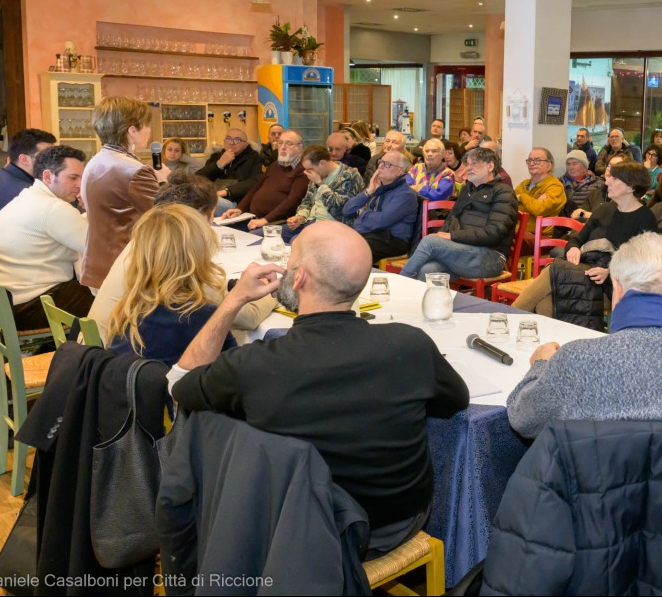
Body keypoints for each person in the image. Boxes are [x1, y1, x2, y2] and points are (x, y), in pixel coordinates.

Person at [168, 223, 469, 555]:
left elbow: (179, 384)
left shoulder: (253, 365)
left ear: (299, 278)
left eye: (291, 259)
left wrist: (235, 299)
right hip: (397, 523)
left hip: (296, 535)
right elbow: (455, 401)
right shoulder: (410, 345)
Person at [505, 233, 662, 438]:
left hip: (593, 482)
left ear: (618, 288)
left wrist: (540, 365)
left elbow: (522, 420)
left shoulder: (575, 358)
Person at [90, 173, 276, 339]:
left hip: (99, 348)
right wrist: (274, 290)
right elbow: (248, 317)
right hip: (122, 363)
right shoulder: (178, 259)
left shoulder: (145, 241)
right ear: (203, 218)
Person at [512, 161, 657, 319]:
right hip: (585, 273)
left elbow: (645, 264)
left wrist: (610, 272)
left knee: (552, 274)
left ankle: (506, 319)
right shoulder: (603, 210)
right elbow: (576, 240)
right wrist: (573, 248)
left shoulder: (645, 219)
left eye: (614, 179)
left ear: (631, 187)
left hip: (613, 286)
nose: (607, 181)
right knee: (545, 301)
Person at [104, 203, 233, 367]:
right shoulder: (199, 315)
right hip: (171, 392)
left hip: (123, 389)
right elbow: (233, 371)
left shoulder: (127, 308)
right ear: (198, 256)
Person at [0, 145, 93, 328]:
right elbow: (98, 250)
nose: (79, 185)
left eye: (82, 178)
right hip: (34, 305)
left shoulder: (26, 198)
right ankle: (92, 354)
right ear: (47, 176)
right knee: (117, 304)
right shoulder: (54, 209)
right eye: (73, 178)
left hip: (10, 303)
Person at [82, 96, 165, 290]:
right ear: (132, 130)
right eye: (145, 125)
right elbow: (168, 217)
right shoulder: (133, 170)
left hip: (98, 263)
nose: (149, 131)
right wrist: (163, 180)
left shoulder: (96, 160)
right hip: (123, 269)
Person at [400, 147, 519, 282]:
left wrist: (452, 236)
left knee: (430, 241)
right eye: (467, 164)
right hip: (462, 251)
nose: (468, 168)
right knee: (427, 271)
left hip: (490, 257)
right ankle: (424, 302)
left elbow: (494, 233)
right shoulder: (467, 190)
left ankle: (399, 285)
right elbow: (451, 220)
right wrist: (445, 236)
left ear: (490, 165)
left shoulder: (504, 193)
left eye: (474, 163)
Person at [221, 130, 309, 231]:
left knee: (246, 237)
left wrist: (265, 220)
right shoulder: (274, 165)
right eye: (280, 143)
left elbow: (292, 202)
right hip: (252, 217)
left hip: (277, 222)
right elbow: (254, 190)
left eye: (289, 144)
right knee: (224, 230)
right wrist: (239, 209)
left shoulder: (303, 170)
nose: (283, 147)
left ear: (300, 148)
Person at [343, 150, 418, 262]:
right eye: (380, 162)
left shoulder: (405, 194)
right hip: (368, 234)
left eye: (387, 164)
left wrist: (362, 212)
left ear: (399, 171)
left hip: (391, 240)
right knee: (334, 244)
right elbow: (347, 210)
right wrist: (369, 191)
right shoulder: (377, 186)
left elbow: (381, 221)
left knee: (352, 252)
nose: (380, 167)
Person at [283, 145, 363, 242]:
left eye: (309, 169)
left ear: (322, 163)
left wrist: (320, 184)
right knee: (265, 234)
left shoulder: (349, 176)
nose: (306, 173)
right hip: (310, 222)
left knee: (296, 241)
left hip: (334, 227)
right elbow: (307, 202)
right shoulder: (318, 173)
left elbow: (340, 211)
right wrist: (300, 217)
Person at [197, 127, 264, 217]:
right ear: (224, 141)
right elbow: (198, 178)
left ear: (245, 144)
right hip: (214, 197)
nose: (232, 143)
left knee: (207, 201)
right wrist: (219, 164)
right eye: (228, 139)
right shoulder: (216, 157)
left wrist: (227, 191)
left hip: (237, 203)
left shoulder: (255, 158)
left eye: (237, 140)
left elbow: (256, 181)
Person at [515, 148, 567, 239]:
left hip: (540, 237)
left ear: (549, 165)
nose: (532, 163)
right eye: (530, 160)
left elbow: (539, 210)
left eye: (538, 160)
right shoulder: (524, 184)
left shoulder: (555, 186)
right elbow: (509, 203)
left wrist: (521, 197)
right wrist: (533, 202)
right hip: (517, 231)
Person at [560, 150, 603, 220]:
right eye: (568, 164)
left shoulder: (598, 183)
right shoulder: (560, 183)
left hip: (587, 224)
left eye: (574, 163)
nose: (571, 167)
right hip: (564, 225)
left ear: (584, 166)